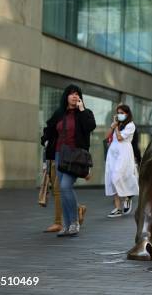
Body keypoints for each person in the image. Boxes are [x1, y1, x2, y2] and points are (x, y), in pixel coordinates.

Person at [41, 84, 96, 237]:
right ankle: (67, 225)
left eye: (77, 94)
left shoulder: (84, 113)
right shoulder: (59, 113)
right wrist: (45, 140)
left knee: (65, 186)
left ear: (80, 97)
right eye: (71, 93)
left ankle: (74, 223)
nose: (74, 96)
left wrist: (82, 110)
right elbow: (49, 128)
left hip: (75, 156)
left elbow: (90, 126)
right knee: (62, 189)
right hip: (59, 155)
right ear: (66, 96)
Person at [104, 104, 139, 217]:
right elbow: (106, 136)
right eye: (118, 113)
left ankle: (128, 197)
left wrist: (117, 127)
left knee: (118, 177)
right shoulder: (116, 124)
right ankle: (118, 208)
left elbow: (120, 138)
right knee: (111, 178)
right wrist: (112, 126)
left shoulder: (130, 125)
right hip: (113, 153)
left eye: (122, 113)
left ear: (127, 114)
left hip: (124, 152)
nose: (120, 115)